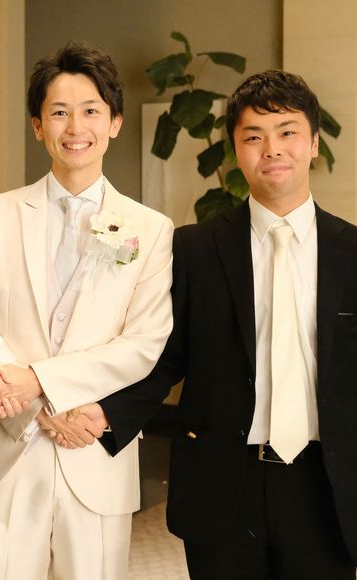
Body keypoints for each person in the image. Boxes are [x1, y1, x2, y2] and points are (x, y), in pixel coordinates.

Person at [89, 70, 357, 579]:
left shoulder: (353, 251)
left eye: (287, 132)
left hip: (327, 486)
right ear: (236, 149)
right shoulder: (193, 249)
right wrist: (105, 414)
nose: (272, 149)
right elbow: (164, 355)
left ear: (313, 143)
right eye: (254, 137)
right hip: (223, 482)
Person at [0, 43, 173, 579]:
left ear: (114, 122)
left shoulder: (150, 229)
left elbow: (143, 343)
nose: (75, 127)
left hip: (92, 448)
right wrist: (32, 400)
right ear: (37, 126)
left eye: (90, 110)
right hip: (6, 446)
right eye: (58, 112)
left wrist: (41, 383)